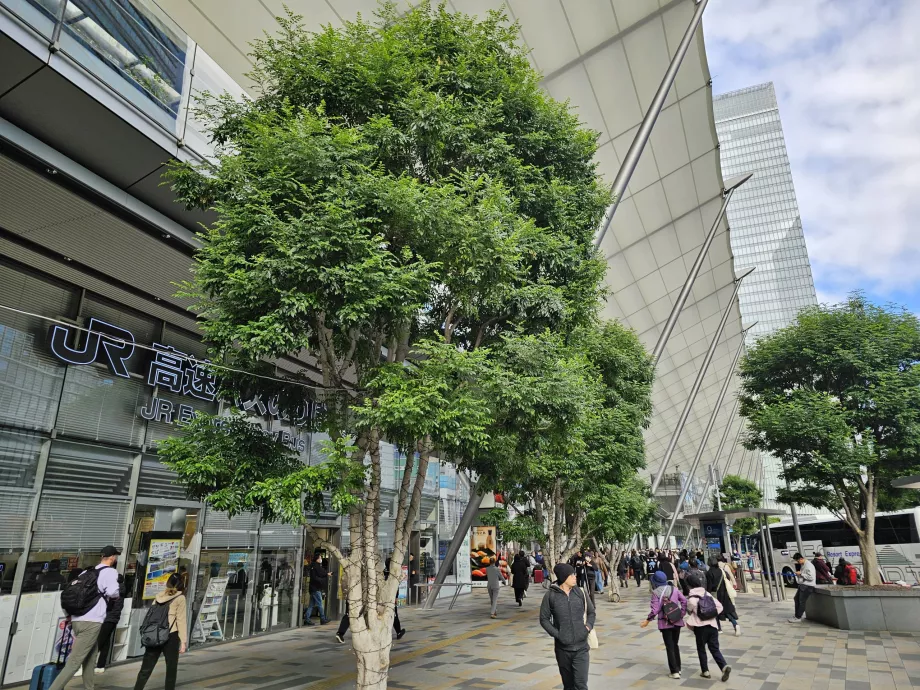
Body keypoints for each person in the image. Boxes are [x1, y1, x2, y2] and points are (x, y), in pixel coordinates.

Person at [49, 546, 121, 690]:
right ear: (112, 557)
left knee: (90, 657)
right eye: (116, 556)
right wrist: (116, 594)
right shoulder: (110, 572)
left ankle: (89, 687)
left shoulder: (87, 571)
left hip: (77, 619)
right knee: (74, 662)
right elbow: (113, 592)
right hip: (92, 621)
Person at [540, 563, 594, 690]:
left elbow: (591, 612)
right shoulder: (551, 595)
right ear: (564, 577)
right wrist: (558, 634)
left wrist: (587, 627)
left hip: (581, 648)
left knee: (581, 685)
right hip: (563, 650)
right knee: (569, 686)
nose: (575, 577)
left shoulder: (580, 592)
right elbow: (544, 619)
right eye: (572, 575)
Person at [132, 574, 187, 690]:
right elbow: (181, 620)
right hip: (170, 635)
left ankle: (138, 688)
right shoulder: (180, 598)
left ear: (168, 583)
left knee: (146, 667)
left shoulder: (159, 596)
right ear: (182, 584)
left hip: (154, 634)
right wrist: (183, 641)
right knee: (171, 667)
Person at [685, 571, 731, 682]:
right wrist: (711, 615)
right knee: (715, 649)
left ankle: (705, 671)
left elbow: (689, 611)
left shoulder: (691, 599)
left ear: (689, 585)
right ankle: (723, 666)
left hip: (700, 628)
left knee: (701, 649)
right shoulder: (708, 594)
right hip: (713, 625)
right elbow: (719, 606)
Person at [641, 570, 686, 679]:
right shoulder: (674, 589)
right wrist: (681, 614)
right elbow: (684, 601)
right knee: (675, 645)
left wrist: (648, 620)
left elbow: (655, 609)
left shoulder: (656, 592)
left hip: (665, 623)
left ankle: (674, 671)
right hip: (677, 621)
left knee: (669, 646)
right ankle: (678, 669)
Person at [95, 573, 126, 674]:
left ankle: (88, 663)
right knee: (106, 641)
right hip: (113, 618)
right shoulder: (121, 589)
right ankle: (100, 665)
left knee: (99, 641)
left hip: (108, 617)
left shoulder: (114, 591)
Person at [707, 557, 740, 637]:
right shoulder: (721, 570)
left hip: (715, 594)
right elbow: (727, 578)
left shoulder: (709, 573)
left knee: (715, 611)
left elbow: (709, 586)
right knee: (728, 612)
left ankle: (719, 628)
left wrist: (707, 593)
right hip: (724, 593)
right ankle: (735, 625)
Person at [789, 552, 816, 623]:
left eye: (798, 561)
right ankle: (797, 616)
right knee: (796, 599)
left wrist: (801, 573)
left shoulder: (808, 565)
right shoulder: (804, 564)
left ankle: (798, 617)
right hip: (803, 585)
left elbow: (811, 577)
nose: (798, 563)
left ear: (801, 558)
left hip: (807, 586)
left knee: (801, 601)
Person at [304, 553, 329, 625]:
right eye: (320, 557)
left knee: (311, 605)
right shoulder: (316, 566)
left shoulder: (314, 566)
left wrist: (326, 574)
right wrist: (326, 575)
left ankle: (307, 619)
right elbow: (320, 574)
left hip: (313, 588)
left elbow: (320, 573)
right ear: (317, 559)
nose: (321, 559)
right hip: (315, 588)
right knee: (320, 604)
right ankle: (323, 619)